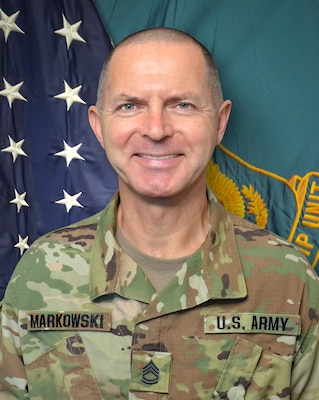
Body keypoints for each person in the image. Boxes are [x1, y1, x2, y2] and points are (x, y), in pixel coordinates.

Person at [0, 27, 318, 400]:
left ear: (219, 122)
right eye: (130, 105)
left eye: (181, 104)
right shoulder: (40, 271)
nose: (155, 130)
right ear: (99, 126)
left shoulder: (289, 280)